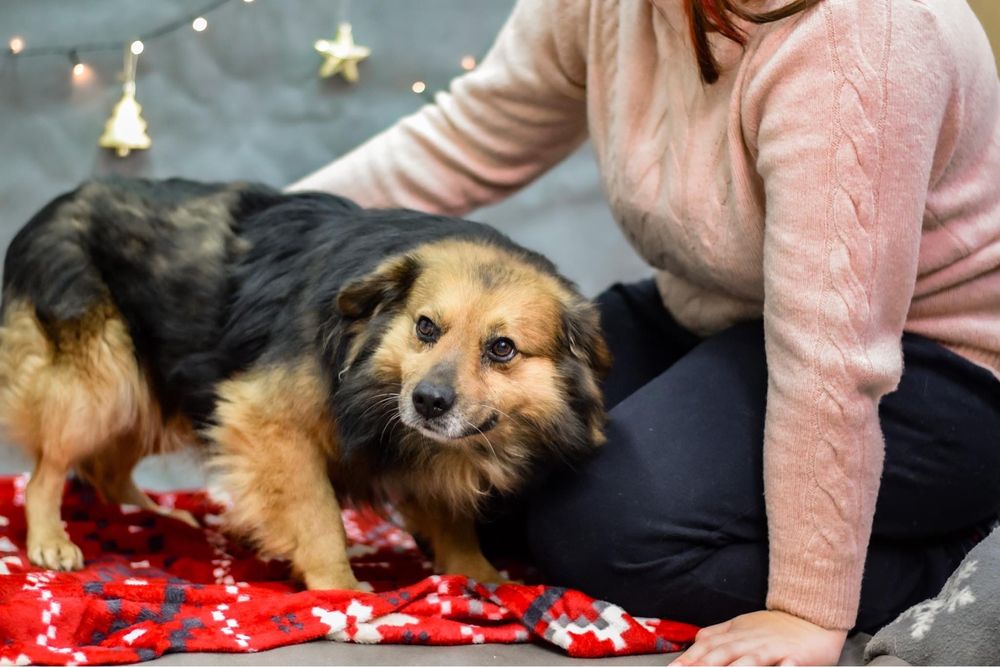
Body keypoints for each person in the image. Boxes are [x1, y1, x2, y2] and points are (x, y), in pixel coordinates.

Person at [288, 0, 1000, 664]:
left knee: (606, 531)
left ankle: (961, 554)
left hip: (928, 366)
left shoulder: (863, 38)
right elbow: (468, 136)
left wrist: (808, 607)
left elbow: (832, 355)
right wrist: (277, 240)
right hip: (719, 313)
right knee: (483, 491)